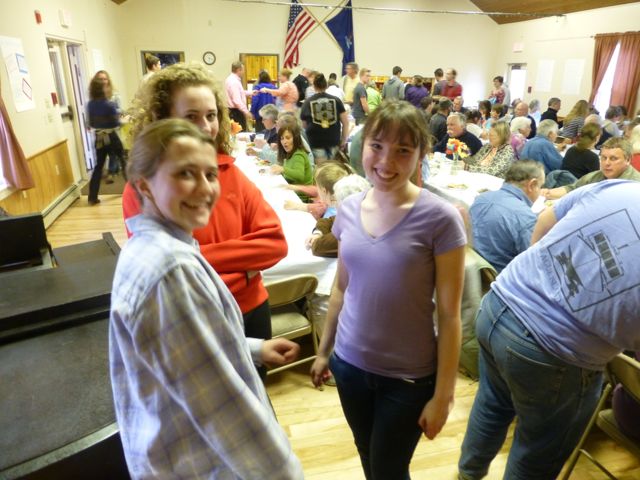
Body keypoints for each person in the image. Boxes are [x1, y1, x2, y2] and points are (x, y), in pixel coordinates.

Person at [110, 119, 303, 479]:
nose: (205, 189)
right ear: (144, 185)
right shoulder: (172, 269)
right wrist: (286, 473)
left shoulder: (150, 247)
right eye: (186, 174)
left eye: (211, 174)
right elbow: (222, 408)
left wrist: (254, 349)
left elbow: (185, 349)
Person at [310, 100, 466, 480]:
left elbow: (450, 315)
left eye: (403, 150)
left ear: (420, 155)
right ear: (361, 146)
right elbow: (341, 289)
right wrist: (324, 352)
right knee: (368, 454)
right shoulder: (348, 209)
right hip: (349, 366)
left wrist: (443, 396)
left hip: (407, 378)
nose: (385, 161)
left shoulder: (440, 218)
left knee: (388, 469)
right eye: (377, 146)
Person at [458, 179, 640, 480]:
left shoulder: (624, 189)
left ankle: (468, 474)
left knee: (492, 402)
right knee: (538, 453)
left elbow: (546, 219)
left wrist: (540, 281)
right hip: (555, 352)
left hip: (500, 303)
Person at [122, 63, 287, 379]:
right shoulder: (144, 188)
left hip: (250, 310)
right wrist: (243, 267)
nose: (206, 126)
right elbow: (158, 268)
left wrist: (189, 258)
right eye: (191, 116)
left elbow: (275, 244)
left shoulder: (230, 174)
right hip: (190, 316)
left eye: (211, 115)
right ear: (163, 119)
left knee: (256, 396)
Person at [469, 160, 544, 273]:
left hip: (473, 270)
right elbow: (533, 264)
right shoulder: (525, 218)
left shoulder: (481, 198)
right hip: (500, 276)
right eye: (541, 186)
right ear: (532, 185)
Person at [542, 137, 640, 199]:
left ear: (628, 160)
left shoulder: (635, 185)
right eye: (604, 158)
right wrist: (547, 193)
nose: (606, 163)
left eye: (613, 158)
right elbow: (572, 189)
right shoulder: (595, 177)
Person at [87, 71, 124, 204]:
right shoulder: (109, 104)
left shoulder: (90, 104)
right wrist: (120, 121)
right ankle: (134, 192)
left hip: (98, 137)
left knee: (98, 166)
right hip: (111, 136)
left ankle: (92, 197)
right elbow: (116, 123)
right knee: (123, 160)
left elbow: (90, 123)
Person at [300, 73, 349, 162]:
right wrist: (343, 140)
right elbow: (345, 123)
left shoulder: (307, 103)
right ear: (326, 86)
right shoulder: (336, 100)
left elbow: (304, 126)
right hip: (334, 140)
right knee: (333, 168)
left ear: (314, 86)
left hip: (316, 142)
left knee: (322, 169)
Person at [271, 123, 313, 187]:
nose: (284, 142)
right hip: (291, 189)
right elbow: (289, 174)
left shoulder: (298, 155)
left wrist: (282, 169)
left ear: (295, 139)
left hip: (300, 193)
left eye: (288, 138)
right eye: (282, 138)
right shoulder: (289, 153)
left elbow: (299, 175)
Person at [224, 61, 254, 131]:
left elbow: (239, 92)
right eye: (243, 70)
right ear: (238, 70)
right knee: (239, 133)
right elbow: (236, 100)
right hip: (236, 113)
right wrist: (246, 112)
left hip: (234, 112)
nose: (244, 72)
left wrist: (251, 93)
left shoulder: (232, 79)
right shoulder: (233, 82)